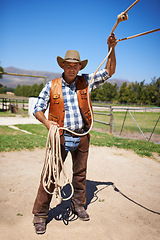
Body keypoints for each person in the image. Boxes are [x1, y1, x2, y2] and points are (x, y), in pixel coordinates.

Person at [32, 34, 117, 234]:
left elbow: (109, 71)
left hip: (82, 135)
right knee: (50, 175)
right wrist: (47, 124)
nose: (72, 68)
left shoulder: (86, 81)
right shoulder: (51, 85)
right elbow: (37, 108)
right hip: (59, 136)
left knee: (80, 175)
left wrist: (112, 49)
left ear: (80, 67)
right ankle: (40, 214)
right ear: (63, 66)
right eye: (68, 64)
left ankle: (78, 205)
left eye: (75, 65)